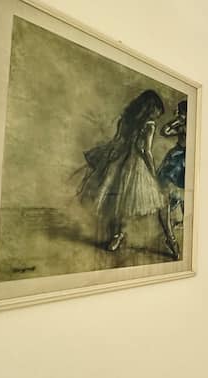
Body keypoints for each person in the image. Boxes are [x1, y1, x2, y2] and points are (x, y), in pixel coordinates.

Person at [79, 90, 166, 252]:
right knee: (119, 200)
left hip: (120, 158)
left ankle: (117, 235)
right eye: (157, 111)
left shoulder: (126, 118)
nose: (157, 115)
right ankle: (117, 235)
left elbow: (117, 140)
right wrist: (152, 172)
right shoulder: (149, 125)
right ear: (151, 108)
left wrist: (111, 154)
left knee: (118, 199)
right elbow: (146, 151)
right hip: (132, 162)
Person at [157, 100, 187, 259]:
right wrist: (178, 121)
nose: (177, 114)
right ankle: (170, 239)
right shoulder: (181, 126)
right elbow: (164, 131)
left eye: (180, 112)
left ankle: (182, 227)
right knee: (164, 199)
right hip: (176, 161)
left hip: (188, 162)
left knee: (186, 198)